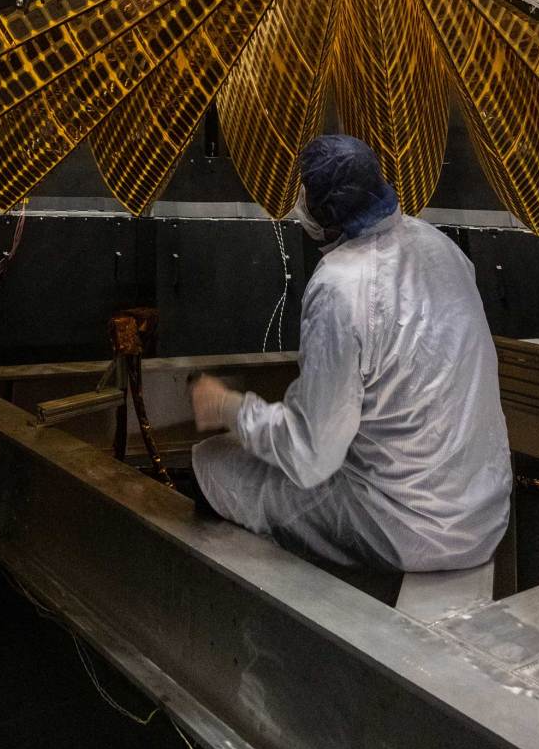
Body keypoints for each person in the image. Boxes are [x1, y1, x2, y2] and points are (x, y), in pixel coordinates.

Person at [189, 136, 511, 572]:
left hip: (405, 530)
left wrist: (228, 408)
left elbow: (310, 457)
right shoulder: (441, 247)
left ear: (324, 212)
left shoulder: (340, 286)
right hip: (485, 519)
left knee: (213, 461)